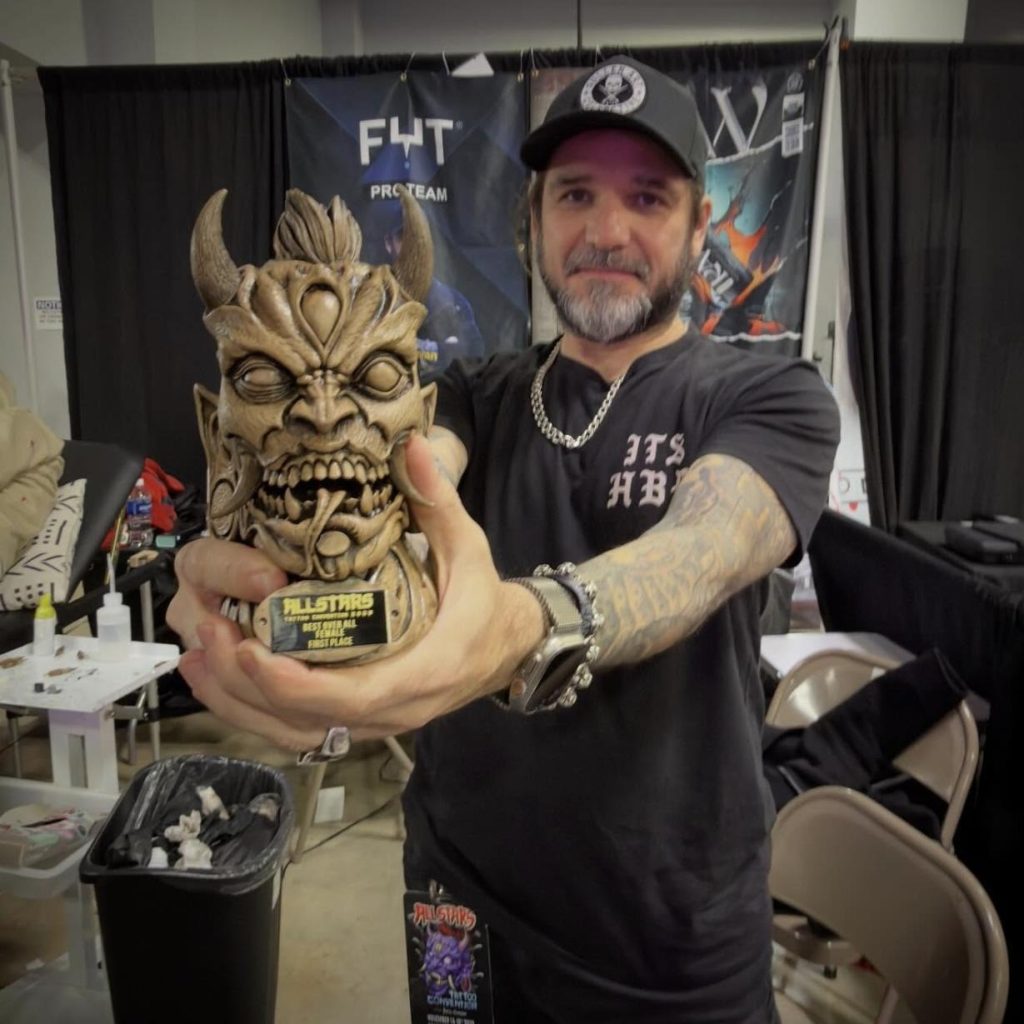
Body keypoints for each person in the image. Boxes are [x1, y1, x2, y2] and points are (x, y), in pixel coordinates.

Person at [169, 55, 839, 1023]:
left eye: (647, 197)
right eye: (575, 194)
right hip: (459, 914)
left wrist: (525, 627)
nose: (605, 231)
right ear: (532, 219)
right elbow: (413, 469)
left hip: (668, 956)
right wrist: (260, 575)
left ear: (701, 226)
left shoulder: (770, 398)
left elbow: (704, 547)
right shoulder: (471, 396)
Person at [382, 216, 487, 377]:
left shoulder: (453, 302)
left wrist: (418, 349)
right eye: (403, 237)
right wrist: (440, 349)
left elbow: (472, 353)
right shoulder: (376, 298)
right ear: (389, 244)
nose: (413, 246)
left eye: (419, 238)